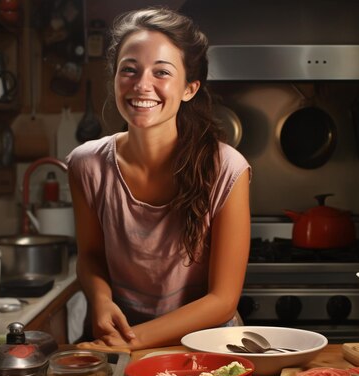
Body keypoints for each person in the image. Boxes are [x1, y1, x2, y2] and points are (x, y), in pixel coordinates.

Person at [66, 6, 251, 351]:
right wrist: (101, 299)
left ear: (189, 88)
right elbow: (90, 255)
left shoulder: (227, 169)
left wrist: (131, 343)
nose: (141, 85)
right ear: (114, 78)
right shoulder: (86, 165)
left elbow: (223, 299)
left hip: (206, 347)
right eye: (129, 70)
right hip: (120, 342)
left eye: (161, 72)